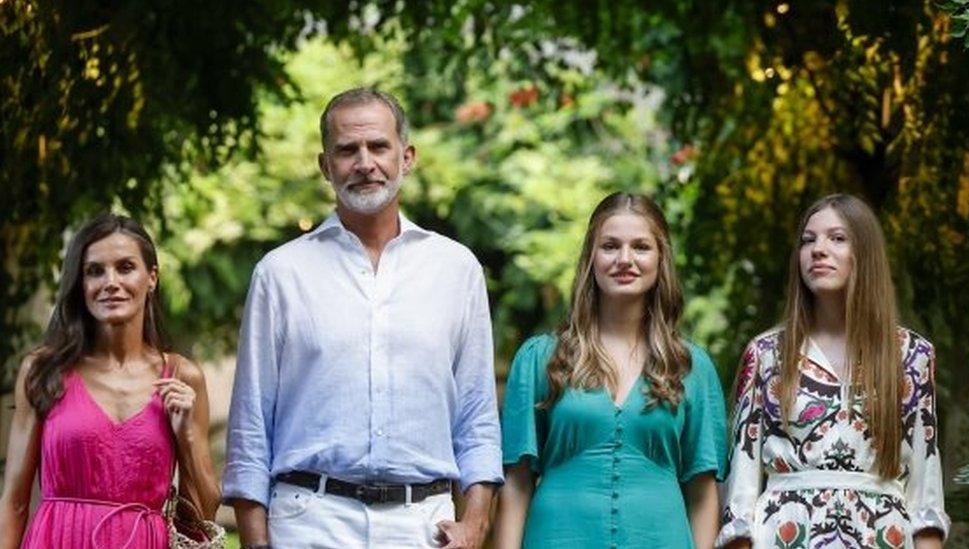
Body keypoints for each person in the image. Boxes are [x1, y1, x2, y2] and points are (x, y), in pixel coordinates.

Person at [222, 87, 502, 549]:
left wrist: (475, 524)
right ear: (325, 166)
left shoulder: (456, 270)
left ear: (406, 157)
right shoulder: (280, 273)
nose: (365, 162)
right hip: (309, 522)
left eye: (378, 146)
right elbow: (251, 424)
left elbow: (476, 415)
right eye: (347, 150)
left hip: (423, 527)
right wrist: (255, 542)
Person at [494, 192, 728, 549]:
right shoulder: (540, 358)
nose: (625, 259)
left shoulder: (691, 367)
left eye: (641, 247)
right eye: (610, 246)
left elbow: (703, 493)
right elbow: (517, 483)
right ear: (591, 257)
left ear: (660, 258)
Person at [718, 194, 951, 548]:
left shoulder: (913, 357)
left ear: (866, 254)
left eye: (837, 238)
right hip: (784, 535)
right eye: (808, 240)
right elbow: (739, 499)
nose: (818, 250)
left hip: (882, 537)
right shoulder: (765, 355)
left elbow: (926, 500)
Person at [0, 213, 220, 549]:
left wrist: (187, 435)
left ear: (152, 278)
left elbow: (204, 517)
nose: (110, 281)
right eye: (95, 271)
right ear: (80, 284)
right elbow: (14, 502)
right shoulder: (43, 371)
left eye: (126, 267)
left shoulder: (182, 377)